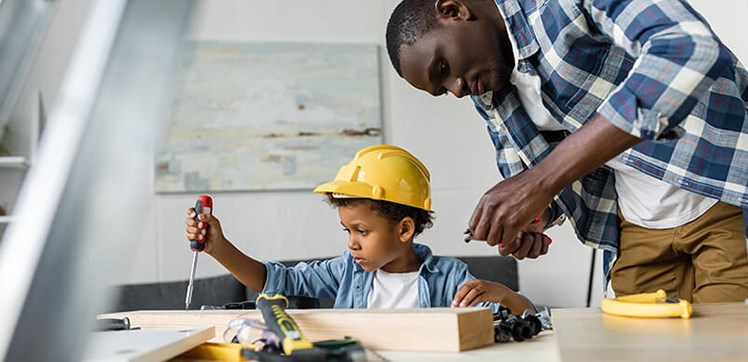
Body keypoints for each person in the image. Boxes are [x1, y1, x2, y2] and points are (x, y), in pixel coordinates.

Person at [386, 0, 748, 303]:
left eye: (444, 68)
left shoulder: (560, 6)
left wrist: (541, 182)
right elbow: (531, 181)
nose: (458, 89)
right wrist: (531, 219)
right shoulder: (489, 93)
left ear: (453, 10)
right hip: (637, 225)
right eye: (443, 89)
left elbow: (687, 47)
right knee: (641, 350)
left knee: (727, 345)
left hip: (724, 196)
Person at [185, 144, 535, 313]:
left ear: (404, 229)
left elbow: (532, 320)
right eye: (347, 231)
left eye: (362, 231)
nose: (352, 243)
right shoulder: (347, 272)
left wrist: (505, 295)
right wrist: (220, 248)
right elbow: (280, 280)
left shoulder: (450, 279)